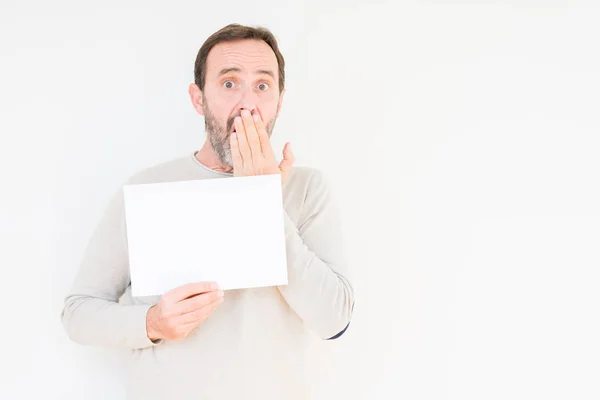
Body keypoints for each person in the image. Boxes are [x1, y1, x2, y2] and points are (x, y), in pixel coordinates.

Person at [61, 23, 354, 400]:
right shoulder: (147, 188)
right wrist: (152, 323)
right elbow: (78, 314)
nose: (248, 103)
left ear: (279, 100)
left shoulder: (309, 189)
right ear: (198, 98)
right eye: (229, 83)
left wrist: (261, 200)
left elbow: (335, 320)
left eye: (262, 86)